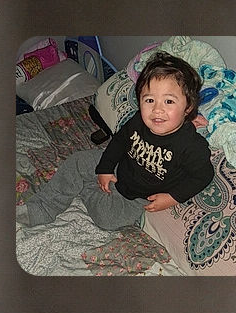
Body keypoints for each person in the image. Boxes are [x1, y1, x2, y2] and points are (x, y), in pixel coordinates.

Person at [20, 53, 214, 230]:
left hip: (136, 197)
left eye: (169, 101)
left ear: (188, 108)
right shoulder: (139, 120)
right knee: (77, 161)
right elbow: (120, 141)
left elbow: (204, 176)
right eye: (149, 100)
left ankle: (87, 186)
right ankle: (41, 208)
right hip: (119, 165)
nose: (157, 110)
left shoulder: (192, 146)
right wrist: (105, 168)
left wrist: (172, 198)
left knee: (107, 220)